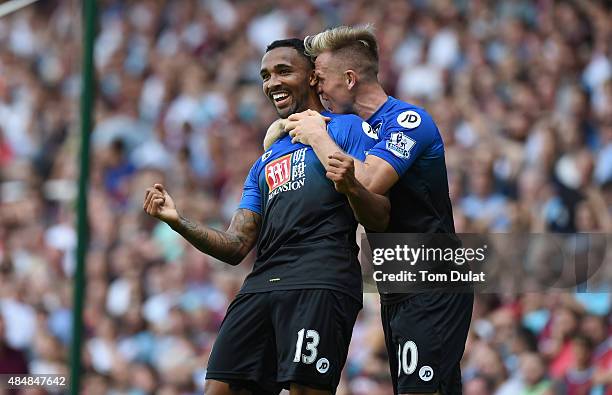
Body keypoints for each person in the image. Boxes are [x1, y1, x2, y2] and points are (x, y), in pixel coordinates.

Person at [143, 38, 380, 395]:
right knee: (219, 389)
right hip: (261, 282)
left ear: (313, 77)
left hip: (320, 279)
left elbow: (373, 201)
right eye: (265, 75)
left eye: (283, 71)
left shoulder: (347, 128)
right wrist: (178, 221)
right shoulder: (264, 160)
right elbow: (237, 245)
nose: (272, 83)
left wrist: (331, 156)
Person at [280, 26, 474, 395]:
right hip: (397, 283)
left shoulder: (407, 120)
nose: (316, 88)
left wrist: (318, 137)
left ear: (350, 79)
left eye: (320, 79)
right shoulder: (356, 131)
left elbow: (367, 182)